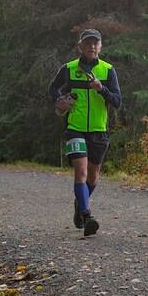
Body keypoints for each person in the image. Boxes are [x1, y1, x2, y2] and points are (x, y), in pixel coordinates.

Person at [47, 29, 122, 236]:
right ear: (80, 46)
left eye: (95, 43)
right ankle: (87, 214)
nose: (91, 46)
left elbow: (117, 101)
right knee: (81, 171)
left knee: (93, 176)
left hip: (99, 130)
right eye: (87, 43)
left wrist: (101, 89)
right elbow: (52, 88)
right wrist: (60, 100)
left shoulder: (108, 70)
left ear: (100, 47)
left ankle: (79, 204)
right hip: (75, 128)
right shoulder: (69, 68)